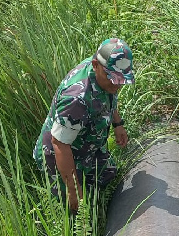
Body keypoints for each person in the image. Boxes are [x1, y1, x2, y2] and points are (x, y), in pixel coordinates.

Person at [33, 38, 133, 213]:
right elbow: (60, 144)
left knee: (108, 175)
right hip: (60, 155)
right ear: (95, 65)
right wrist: (73, 190)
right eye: (113, 79)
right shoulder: (76, 99)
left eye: (122, 80)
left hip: (87, 143)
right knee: (73, 211)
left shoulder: (106, 71)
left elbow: (110, 94)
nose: (117, 85)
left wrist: (118, 123)